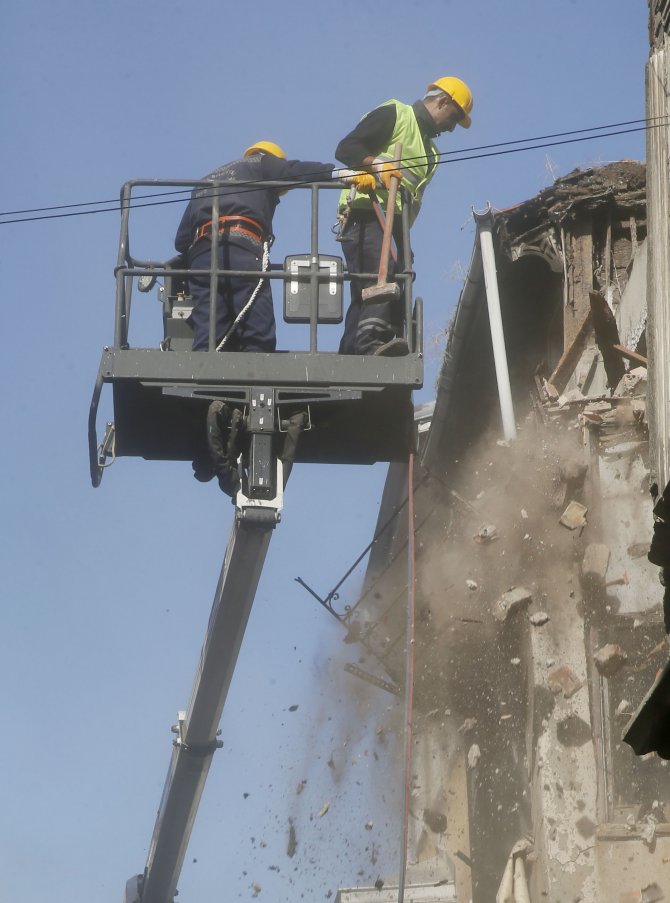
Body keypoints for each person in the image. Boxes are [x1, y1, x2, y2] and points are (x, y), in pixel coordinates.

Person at [334, 76, 474, 356]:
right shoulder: (396, 114)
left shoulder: (431, 154)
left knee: (377, 285)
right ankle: (371, 342)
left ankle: (353, 352)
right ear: (442, 101)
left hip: (394, 224)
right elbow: (346, 149)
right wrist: (375, 165)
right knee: (380, 276)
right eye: (454, 117)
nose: (451, 128)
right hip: (365, 212)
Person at [175, 141, 342, 352]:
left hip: (202, 256)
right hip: (242, 250)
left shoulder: (205, 181)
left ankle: (204, 380)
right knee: (257, 332)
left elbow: (181, 241)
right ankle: (255, 380)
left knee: (209, 335)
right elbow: (293, 171)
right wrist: (339, 174)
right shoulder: (260, 163)